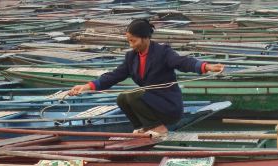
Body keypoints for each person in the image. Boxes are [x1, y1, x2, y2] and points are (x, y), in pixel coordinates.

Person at [69, 19, 224, 137]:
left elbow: (182, 62)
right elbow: (114, 76)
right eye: (129, 41)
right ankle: (142, 127)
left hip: (167, 106)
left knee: (134, 96)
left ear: (145, 38)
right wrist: (87, 86)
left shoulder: (163, 52)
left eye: (133, 41)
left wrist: (206, 66)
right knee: (122, 98)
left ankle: (159, 129)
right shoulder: (131, 57)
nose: (131, 45)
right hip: (150, 105)